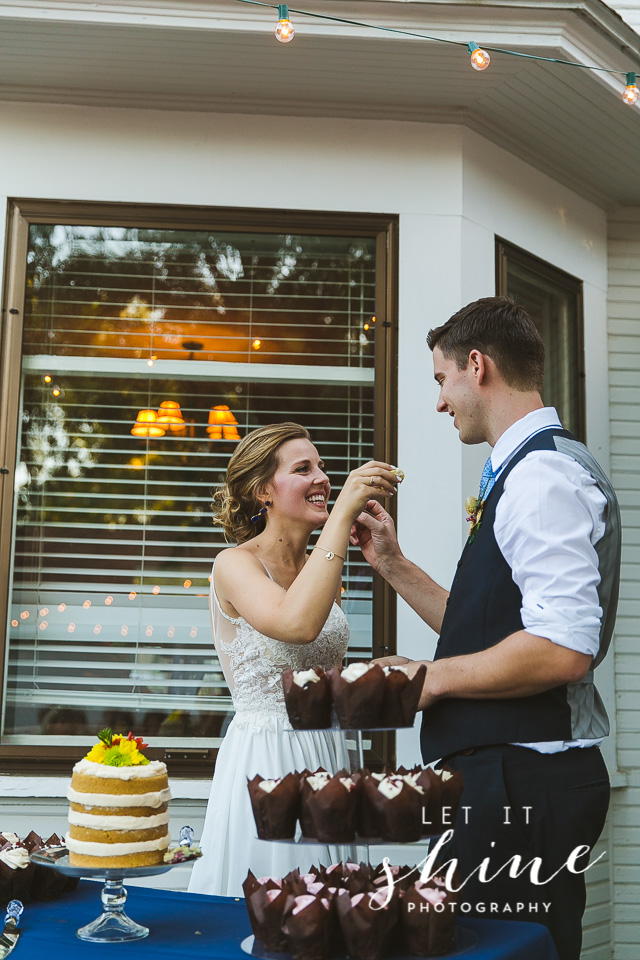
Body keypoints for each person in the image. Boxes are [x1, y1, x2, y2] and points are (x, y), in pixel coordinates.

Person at [351, 297, 620, 960]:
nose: (441, 402)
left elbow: (561, 649)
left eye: (442, 380)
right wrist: (393, 564)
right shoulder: (531, 470)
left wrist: (429, 678)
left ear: (478, 366)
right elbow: (495, 634)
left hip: (520, 787)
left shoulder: (541, 478)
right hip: (510, 781)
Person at [188, 422, 400, 897]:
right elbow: (296, 624)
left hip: (326, 751)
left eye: (322, 466)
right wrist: (344, 513)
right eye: (303, 468)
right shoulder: (234, 564)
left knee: (326, 910)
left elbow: (317, 671)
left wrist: (373, 677)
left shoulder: (315, 568)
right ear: (263, 490)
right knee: (278, 903)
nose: (322, 478)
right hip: (269, 757)